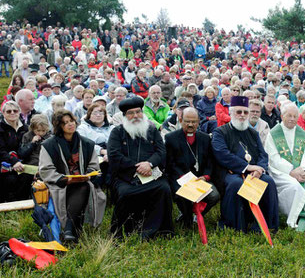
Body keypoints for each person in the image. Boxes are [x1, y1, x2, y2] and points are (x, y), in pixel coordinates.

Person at [108, 97, 174, 239]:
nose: (135, 116)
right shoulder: (117, 132)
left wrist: (149, 164)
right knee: (125, 193)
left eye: (138, 112)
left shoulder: (152, 130)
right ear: (124, 116)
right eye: (131, 113)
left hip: (151, 172)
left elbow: (161, 152)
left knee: (164, 189)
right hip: (126, 176)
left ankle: (161, 231)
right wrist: (137, 168)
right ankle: (126, 230)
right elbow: (114, 155)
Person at [211, 96, 279, 232]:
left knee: (268, 181)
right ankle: (235, 225)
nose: (242, 115)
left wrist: (260, 170)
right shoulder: (220, 132)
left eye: (245, 112)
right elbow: (222, 154)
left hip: (254, 172)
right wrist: (247, 167)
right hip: (230, 172)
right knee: (236, 184)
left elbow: (263, 154)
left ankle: (265, 224)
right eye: (239, 112)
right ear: (231, 113)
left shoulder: (253, 133)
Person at [38, 109, 106, 242]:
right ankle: (71, 229)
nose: (70, 124)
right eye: (65, 123)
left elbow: (93, 165)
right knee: (80, 188)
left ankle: (69, 229)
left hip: (81, 182)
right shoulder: (49, 145)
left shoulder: (87, 143)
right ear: (59, 127)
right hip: (59, 184)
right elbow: (46, 169)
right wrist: (63, 178)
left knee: (84, 186)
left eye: (71, 121)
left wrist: (88, 175)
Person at [165, 108, 220, 228]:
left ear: (199, 121)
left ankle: (197, 214)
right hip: (180, 178)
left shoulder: (205, 138)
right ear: (181, 120)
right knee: (181, 195)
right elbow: (170, 163)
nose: (190, 124)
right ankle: (186, 216)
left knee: (214, 195)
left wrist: (205, 177)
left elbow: (210, 161)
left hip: (201, 178)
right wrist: (184, 178)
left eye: (194, 121)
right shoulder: (171, 138)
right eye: (187, 121)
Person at [0, 101, 30, 202]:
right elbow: (1, 151)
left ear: (19, 112)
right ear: (3, 113)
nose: (12, 113)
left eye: (15, 110)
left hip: (23, 164)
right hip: (5, 164)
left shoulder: (26, 128)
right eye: (8, 111)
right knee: (10, 179)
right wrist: (14, 162)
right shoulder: (1, 128)